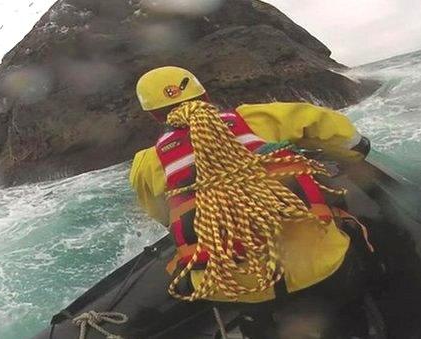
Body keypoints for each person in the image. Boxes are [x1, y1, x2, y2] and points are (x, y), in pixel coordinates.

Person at [129, 66, 374, 338]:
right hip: (319, 267)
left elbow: (163, 215)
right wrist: (356, 149)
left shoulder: (147, 163)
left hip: (236, 289)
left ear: (153, 115)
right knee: (347, 306)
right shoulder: (255, 119)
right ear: (205, 95)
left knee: (258, 320)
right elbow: (323, 122)